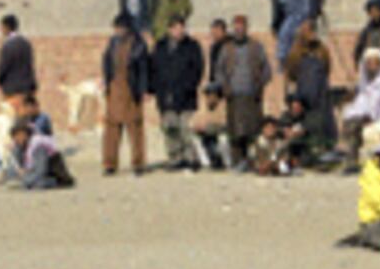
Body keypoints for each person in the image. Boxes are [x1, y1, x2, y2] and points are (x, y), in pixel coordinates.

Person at [98, 13, 151, 175]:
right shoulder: (112, 43)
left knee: (135, 127)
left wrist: (143, 89)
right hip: (114, 88)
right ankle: (110, 163)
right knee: (111, 128)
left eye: (120, 28)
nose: (118, 31)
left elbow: (143, 69)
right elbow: (106, 63)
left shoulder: (138, 44)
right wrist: (106, 83)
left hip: (131, 89)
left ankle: (138, 163)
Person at [152, 17, 205, 171]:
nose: (179, 31)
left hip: (186, 94)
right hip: (166, 94)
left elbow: (198, 69)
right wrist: (153, 89)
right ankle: (175, 158)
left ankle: (191, 158)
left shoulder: (192, 46)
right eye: (175, 28)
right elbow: (153, 69)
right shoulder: (160, 47)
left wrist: (189, 86)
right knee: (170, 128)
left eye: (181, 27)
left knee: (185, 128)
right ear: (169, 29)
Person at [218, 15, 271, 167]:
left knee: (253, 131)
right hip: (233, 96)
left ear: (246, 28)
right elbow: (219, 70)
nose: (239, 30)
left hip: (252, 96)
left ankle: (253, 161)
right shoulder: (227, 48)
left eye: (242, 27)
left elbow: (266, 70)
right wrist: (224, 86)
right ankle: (237, 161)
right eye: (236, 27)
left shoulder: (256, 47)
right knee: (235, 132)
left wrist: (259, 84)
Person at [284, 20, 336, 148]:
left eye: (313, 30)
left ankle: (324, 150)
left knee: (323, 124)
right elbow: (290, 77)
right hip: (303, 97)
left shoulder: (322, 50)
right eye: (308, 31)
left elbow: (327, 69)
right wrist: (294, 99)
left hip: (321, 96)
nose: (312, 34)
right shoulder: (295, 53)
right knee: (306, 125)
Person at [269, 0, 324, 65]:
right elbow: (277, 10)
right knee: (283, 36)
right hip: (289, 18)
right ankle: (284, 62)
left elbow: (307, 5)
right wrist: (275, 25)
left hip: (302, 18)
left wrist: (308, 20)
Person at [7, 120, 73, 190]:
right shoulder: (20, 147)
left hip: (51, 175)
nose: (18, 138)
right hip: (32, 174)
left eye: (21, 135)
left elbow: (41, 170)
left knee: (38, 184)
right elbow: (15, 167)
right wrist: (15, 152)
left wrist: (25, 180)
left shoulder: (39, 146)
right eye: (16, 136)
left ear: (27, 134)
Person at [0, 15, 37, 116]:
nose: (1, 30)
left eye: (1, 27)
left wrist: (0, 81)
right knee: (25, 116)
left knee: (12, 117)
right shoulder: (26, 43)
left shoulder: (8, 45)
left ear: (6, 27)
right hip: (27, 89)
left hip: (12, 89)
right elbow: (30, 66)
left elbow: (2, 68)